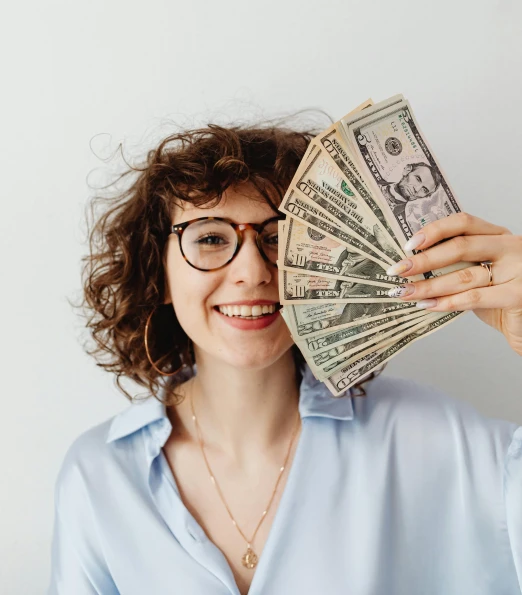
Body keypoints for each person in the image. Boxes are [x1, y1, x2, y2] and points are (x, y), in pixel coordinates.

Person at [47, 123, 522, 595]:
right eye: (210, 238)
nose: (252, 272)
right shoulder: (99, 473)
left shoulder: (435, 436)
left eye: (279, 237)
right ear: (160, 271)